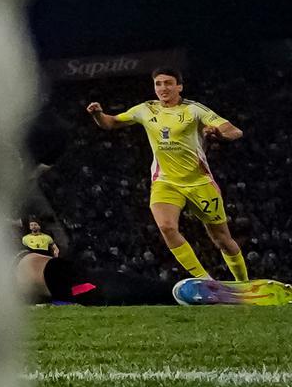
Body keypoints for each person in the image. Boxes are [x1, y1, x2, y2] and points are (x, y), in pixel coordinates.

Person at [86, 67, 248, 281]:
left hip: (199, 181)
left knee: (221, 238)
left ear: (179, 86)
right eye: (158, 83)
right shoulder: (145, 110)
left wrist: (219, 133)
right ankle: (206, 282)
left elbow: (235, 131)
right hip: (165, 182)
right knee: (166, 227)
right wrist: (97, 114)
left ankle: (244, 284)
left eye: (168, 83)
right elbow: (110, 123)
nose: (163, 88)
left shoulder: (194, 110)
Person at [15, 251, 292, 306]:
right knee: (83, 283)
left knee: (86, 288)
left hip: (22, 277)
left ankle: (176, 292)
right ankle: (177, 289)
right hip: (29, 265)